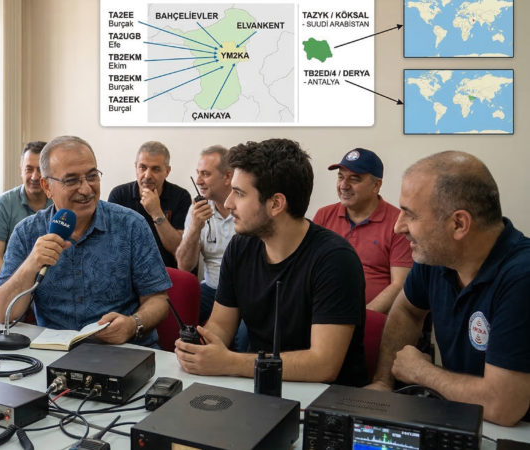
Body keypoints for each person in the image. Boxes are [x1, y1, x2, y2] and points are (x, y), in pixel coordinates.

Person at [174, 138, 368, 386]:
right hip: (260, 385)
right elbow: (221, 326)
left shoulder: (335, 260)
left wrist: (230, 362)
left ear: (276, 204)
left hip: (325, 397)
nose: (228, 203)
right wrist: (200, 348)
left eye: (239, 193)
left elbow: (323, 365)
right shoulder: (240, 247)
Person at [366, 151, 530, 426]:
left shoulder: (521, 277)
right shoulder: (437, 256)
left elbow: (503, 406)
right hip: (463, 420)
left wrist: (422, 372)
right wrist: (383, 381)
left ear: (458, 224)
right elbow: (407, 310)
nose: (398, 227)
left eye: (410, 215)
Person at [0, 136, 171, 347]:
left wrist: (133, 324)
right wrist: (32, 263)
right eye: (71, 180)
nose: (86, 189)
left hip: (123, 350)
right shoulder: (27, 232)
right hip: (56, 352)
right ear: (47, 186)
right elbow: (5, 313)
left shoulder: (131, 225)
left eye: (92, 176)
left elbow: (158, 300)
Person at [313, 148, 412, 314]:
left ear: (376, 185)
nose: (344, 186)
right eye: (340, 177)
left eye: (354, 179)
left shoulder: (398, 223)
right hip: (323, 313)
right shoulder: (324, 215)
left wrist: (362, 319)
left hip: (374, 318)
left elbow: (400, 285)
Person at [0, 141, 53, 305]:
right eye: (29, 169)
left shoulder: (58, 203)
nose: (34, 177)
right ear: (21, 170)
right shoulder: (3, 203)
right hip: (2, 281)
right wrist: (18, 286)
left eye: (40, 170)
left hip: (46, 283)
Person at [174, 145, 236, 323]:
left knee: (241, 335)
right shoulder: (197, 209)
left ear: (228, 177)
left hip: (243, 292)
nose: (198, 181)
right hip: (211, 289)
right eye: (198, 173)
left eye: (205, 174)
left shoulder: (246, 207)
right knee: (176, 316)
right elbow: (184, 266)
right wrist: (195, 227)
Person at [108, 141, 191, 268]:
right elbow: (112, 245)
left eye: (155, 169)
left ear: (167, 171)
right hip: (129, 270)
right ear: (136, 167)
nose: (147, 175)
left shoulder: (181, 196)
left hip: (167, 271)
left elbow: (178, 249)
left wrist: (156, 212)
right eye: (142, 167)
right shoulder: (119, 195)